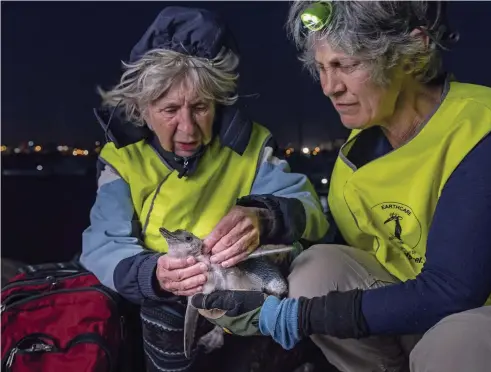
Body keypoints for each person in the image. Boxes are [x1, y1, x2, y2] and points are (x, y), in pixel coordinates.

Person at [191, 1, 491, 371]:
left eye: (346, 65)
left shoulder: (490, 129)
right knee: (316, 269)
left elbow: (453, 290)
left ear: (412, 52)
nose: (328, 87)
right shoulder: (355, 155)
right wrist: (265, 220)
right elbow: (338, 251)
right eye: (321, 68)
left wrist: (289, 317)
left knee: (461, 339)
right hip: (414, 316)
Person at [80, 6, 329, 372]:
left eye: (199, 107)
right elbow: (103, 244)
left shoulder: (254, 146)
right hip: (163, 298)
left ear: (219, 102)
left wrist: (266, 215)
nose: (187, 128)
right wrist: (153, 274)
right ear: (141, 109)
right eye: (169, 110)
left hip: (243, 289)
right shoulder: (122, 159)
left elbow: (312, 212)